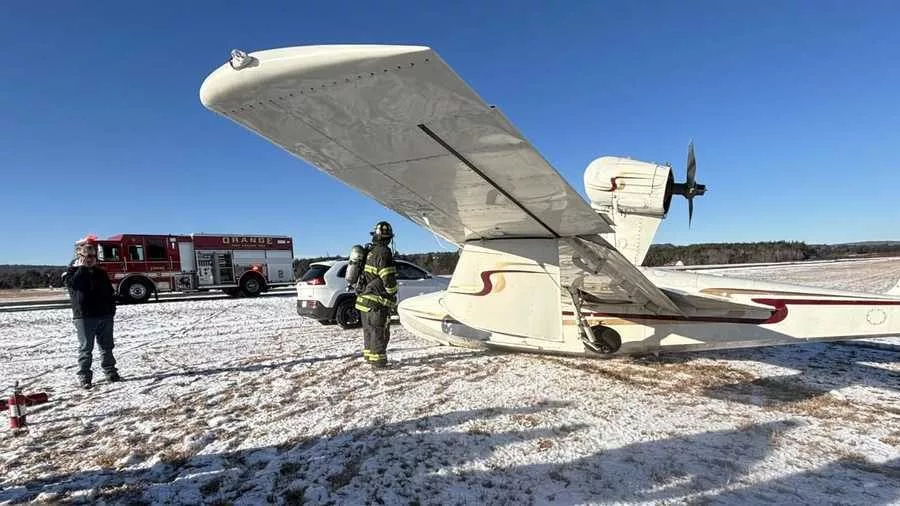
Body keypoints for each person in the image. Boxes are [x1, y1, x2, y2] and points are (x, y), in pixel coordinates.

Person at [65, 236, 120, 389]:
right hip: (84, 317)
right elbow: (75, 285)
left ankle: (111, 372)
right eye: (87, 256)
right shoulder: (72, 272)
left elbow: (109, 292)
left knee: (107, 347)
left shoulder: (101, 273)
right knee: (86, 348)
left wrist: (111, 310)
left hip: (104, 315)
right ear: (80, 256)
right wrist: (82, 268)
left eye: (93, 256)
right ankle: (85, 377)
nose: (91, 259)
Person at [354, 221, 399, 368]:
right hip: (376, 303)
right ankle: (378, 362)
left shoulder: (369, 252)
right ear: (388, 238)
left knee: (369, 331)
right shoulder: (384, 253)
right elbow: (387, 277)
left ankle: (369, 357)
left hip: (363, 301)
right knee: (379, 332)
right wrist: (393, 293)